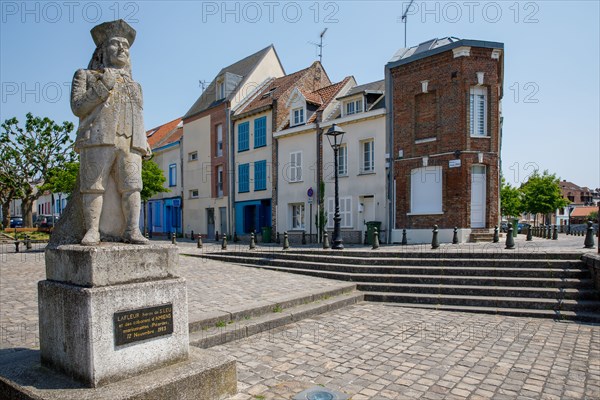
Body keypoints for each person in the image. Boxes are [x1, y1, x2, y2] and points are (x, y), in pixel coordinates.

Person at [71, 20, 150, 245]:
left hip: (131, 141)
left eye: (126, 46)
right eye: (116, 44)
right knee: (94, 185)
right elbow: (78, 107)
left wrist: (144, 141)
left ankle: (132, 230)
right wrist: (103, 85)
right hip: (98, 137)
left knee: (133, 186)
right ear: (102, 50)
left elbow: (139, 113)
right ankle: (93, 230)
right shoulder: (85, 75)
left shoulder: (136, 85)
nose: (122, 49)